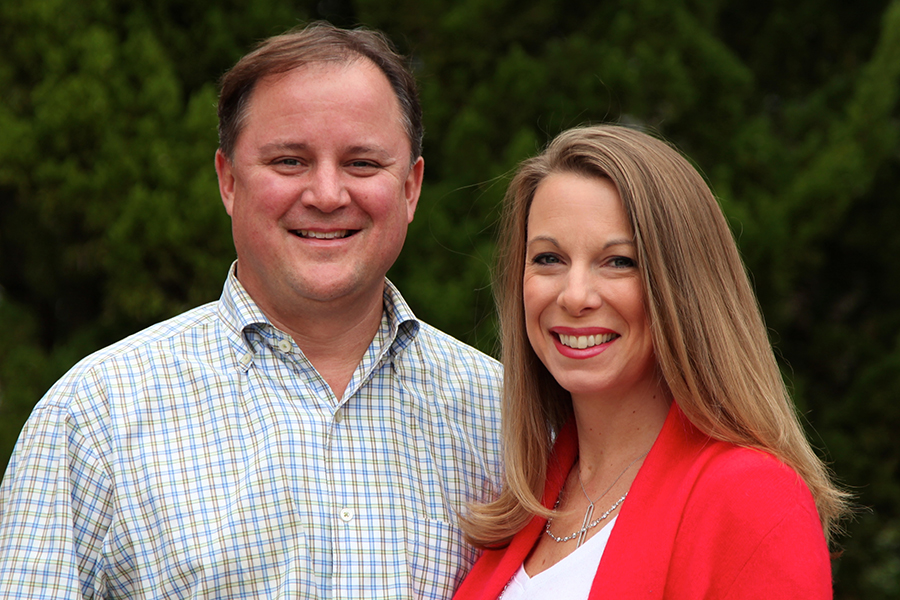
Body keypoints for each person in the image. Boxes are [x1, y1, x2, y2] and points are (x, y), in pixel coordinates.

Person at [0, 22, 503, 599]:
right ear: (228, 180)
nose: (327, 193)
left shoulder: (501, 418)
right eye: (289, 161)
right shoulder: (91, 420)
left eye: (363, 163)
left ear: (411, 188)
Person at [453, 125, 849, 600]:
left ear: (685, 289)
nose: (575, 295)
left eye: (619, 261)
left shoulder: (753, 497)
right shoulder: (520, 502)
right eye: (549, 258)